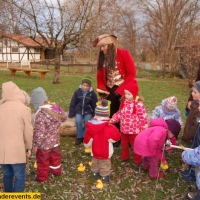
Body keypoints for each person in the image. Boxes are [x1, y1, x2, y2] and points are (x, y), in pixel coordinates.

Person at [93, 34, 137, 129]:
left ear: (110, 45)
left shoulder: (124, 53)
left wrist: (121, 90)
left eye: (103, 46)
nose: (101, 49)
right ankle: (114, 133)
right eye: (100, 47)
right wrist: (103, 91)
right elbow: (100, 77)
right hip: (108, 88)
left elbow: (132, 73)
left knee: (123, 110)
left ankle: (124, 132)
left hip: (123, 87)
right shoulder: (102, 57)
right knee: (110, 111)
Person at [0, 81, 33, 192]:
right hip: (17, 149)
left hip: (2, 150)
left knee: (7, 174)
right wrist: (28, 147)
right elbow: (28, 132)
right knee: (20, 177)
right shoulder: (23, 109)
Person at [30, 87, 67, 182]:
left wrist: (36, 145)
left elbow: (40, 132)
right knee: (55, 157)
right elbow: (64, 117)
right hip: (55, 141)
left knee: (42, 161)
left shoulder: (40, 115)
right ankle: (56, 171)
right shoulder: (55, 108)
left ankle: (42, 177)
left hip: (44, 145)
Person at [109, 80, 148, 165]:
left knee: (135, 145)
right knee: (124, 144)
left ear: (134, 94)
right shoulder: (123, 103)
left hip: (134, 131)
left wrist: (143, 129)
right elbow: (119, 113)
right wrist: (113, 119)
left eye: (129, 94)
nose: (126, 96)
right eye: (125, 93)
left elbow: (143, 117)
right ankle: (124, 156)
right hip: (123, 129)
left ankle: (137, 159)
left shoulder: (138, 105)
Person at [83, 99, 121, 182]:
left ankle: (95, 173)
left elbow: (87, 139)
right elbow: (115, 138)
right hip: (105, 151)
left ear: (96, 114)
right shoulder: (110, 127)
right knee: (105, 164)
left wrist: (86, 145)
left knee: (95, 162)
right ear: (107, 115)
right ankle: (105, 176)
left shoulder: (91, 127)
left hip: (94, 151)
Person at [68, 75, 98, 145]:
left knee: (87, 122)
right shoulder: (77, 92)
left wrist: (95, 112)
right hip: (79, 110)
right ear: (81, 85)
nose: (85, 87)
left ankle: (85, 136)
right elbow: (73, 102)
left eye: (87, 86)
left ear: (90, 86)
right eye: (84, 85)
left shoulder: (92, 94)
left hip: (88, 111)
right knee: (78, 121)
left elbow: (94, 104)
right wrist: (72, 112)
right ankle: (79, 137)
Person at [182, 80, 200, 145]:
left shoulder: (199, 111)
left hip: (194, 139)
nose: (192, 93)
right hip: (189, 133)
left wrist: (187, 137)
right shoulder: (195, 103)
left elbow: (195, 126)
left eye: (195, 92)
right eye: (192, 91)